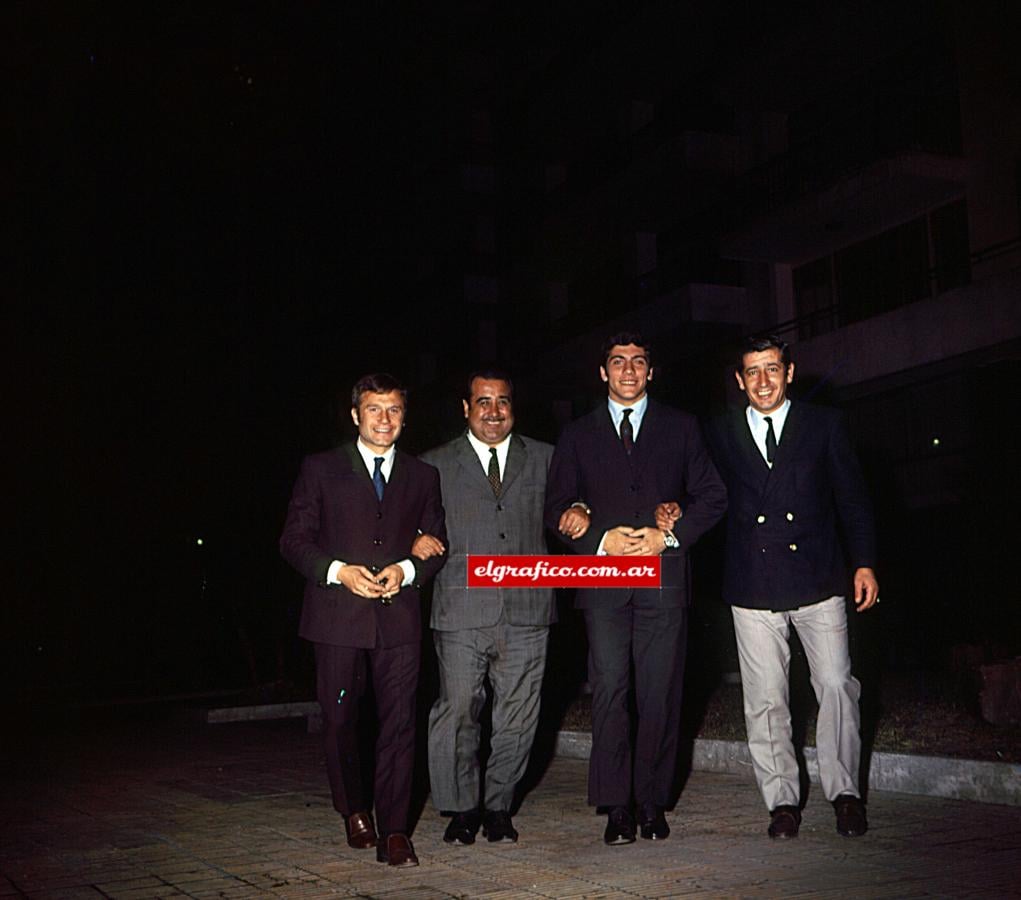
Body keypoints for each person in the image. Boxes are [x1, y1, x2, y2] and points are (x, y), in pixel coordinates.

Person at [660, 334, 878, 840]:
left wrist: (864, 564)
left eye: (772, 369)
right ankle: (781, 801)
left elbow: (853, 499)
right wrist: (671, 509)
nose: (762, 381)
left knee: (836, 687)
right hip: (752, 584)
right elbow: (699, 491)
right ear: (740, 381)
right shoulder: (718, 433)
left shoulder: (824, 425)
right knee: (764, 699)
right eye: (752, 372)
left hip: (820, 579)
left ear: (790, 372)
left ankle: (845, 794)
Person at [544, 332, 727, 845]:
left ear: (652, 371)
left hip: (663, 583)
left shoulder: (681, 427)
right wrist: (596, 536)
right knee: (609, 691)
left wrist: (667, 535)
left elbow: (713, 496)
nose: (628, 370)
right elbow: (554, 509)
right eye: (618, 362)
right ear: (603, 372)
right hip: (602, 581)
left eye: (639, 362)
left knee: (660, 693)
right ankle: (615, 806)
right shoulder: (577, 434)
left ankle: (651, 802)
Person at [279, 373, 447, 868]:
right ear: (355, 415)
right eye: (374, 409)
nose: (384, 419)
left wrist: (408, 568)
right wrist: (337, 572)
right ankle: (354, 808)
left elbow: (436, 544)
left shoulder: (423, 475)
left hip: (399, 620)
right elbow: (292, 540)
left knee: (400, 725)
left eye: (393, 410)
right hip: (337, 618)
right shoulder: (321, 469)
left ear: (404, 417)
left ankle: (395, 831)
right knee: (340, 720)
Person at [416, 370, 570, 845]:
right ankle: (461, 807)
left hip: (527, 609)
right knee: (458, 708)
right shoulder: (432, 465)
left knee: (519, 715)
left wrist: (581, 511)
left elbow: (573, 511)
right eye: (483, 402)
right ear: (466, 407)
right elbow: (411, 524)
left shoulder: (547, 458)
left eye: (503, 401)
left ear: (514, 407)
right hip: (461, 610)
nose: (494, 411)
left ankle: (499, 805)